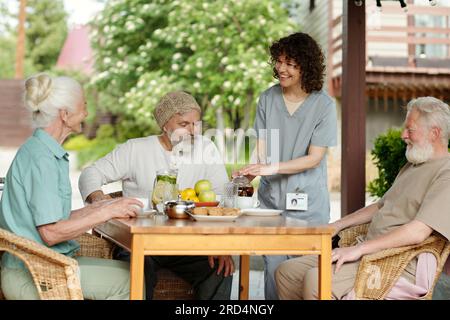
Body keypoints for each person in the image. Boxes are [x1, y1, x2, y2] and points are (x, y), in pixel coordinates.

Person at [275, 96, 450, 300]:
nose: (403, 135)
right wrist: (337, 225)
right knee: (286, 272)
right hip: (369, 250)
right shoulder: (414, 164)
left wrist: (358, 250)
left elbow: (418, 232)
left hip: (396, 262)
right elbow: (380, 206)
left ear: (435, 133)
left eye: (410, 130)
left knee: (316, 280)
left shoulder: (446, 173)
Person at [78, 91, 234, 300]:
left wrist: (220, 245)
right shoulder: (136, 149)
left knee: (219, 270)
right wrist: (99, 200)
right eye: (184, 124)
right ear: (164, 124)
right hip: (137, 243)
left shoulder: (206, 148)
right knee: (141, 273)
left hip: (187, 245)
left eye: (197, 124)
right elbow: (90, 174)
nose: (193, 131)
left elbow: (222, 196)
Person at [0, 73, 143, 300]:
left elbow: (55, 218)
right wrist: (106, 212)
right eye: (84, 105)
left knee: (136, 273)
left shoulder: (44, 152)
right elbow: (50, 233)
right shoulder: (42, 159)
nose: (87, 113)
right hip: (33, 273)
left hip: (44, 264)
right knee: (133, 283)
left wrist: (100, 208)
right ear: (65, 114)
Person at [236, 32, 337, 299]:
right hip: (271, 207)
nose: (281, 68)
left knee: (304, 277)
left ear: (306, 66)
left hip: (309, 208)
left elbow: (314, 158)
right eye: (279, 61)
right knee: (274, 274)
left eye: (290, 63)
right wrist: (248, 172)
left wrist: (270, 168)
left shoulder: (324, 105)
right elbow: (262, 151)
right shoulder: (268, 99)